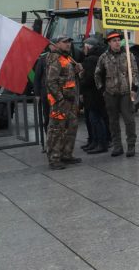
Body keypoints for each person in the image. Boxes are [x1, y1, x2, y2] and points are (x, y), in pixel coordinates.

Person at [96, 30, 138, 157]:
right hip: (110, 93)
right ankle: (117, 146)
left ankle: (131, 146)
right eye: (114, 41)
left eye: (119, 40)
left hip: (126, 93)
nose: (117, 42)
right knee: (113, 121)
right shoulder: (103, 57)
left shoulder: (128, 56)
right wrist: (102, 89)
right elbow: (97, 74)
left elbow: (135, 72)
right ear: (109, 43)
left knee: (129, 120)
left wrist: (134, 88)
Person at [45, 36, 82, 170]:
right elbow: (51, 82)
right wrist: (60, 99)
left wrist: (78, 70)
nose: (68, 44)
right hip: (60, 102)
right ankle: (54, 159)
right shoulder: (55, 58)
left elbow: (70, 79)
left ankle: (67, 154)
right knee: (57, 130)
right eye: (65, 42)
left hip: (71, 101)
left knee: (71, 127)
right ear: (57, 44)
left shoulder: (67, 58)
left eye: (69, 42)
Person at [81, 37, 109, 154]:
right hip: (98, 94)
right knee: (95, 119)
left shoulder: (90, 60)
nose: (83, 49)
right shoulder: (99, 57)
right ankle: (95, 142)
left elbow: (90, 79)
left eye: (84, 46)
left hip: (92, 95)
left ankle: (101, 143)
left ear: (88, 47)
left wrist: (80, 76)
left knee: (95, 119)